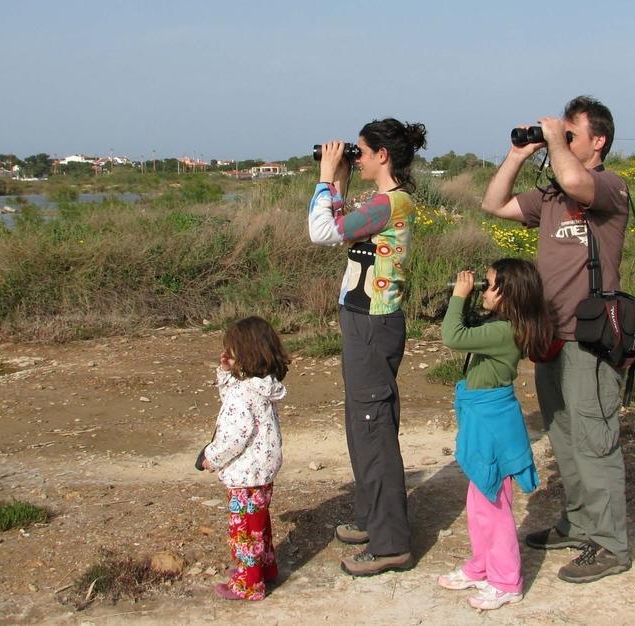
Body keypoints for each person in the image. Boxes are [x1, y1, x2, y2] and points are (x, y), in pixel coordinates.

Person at [480, 96, 632, 583]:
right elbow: (494, 203)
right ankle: (579, 521)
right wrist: (519, 154)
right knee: (565, 439)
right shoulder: (548, 198)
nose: (562, 141)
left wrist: (553, 139)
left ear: (599, 141)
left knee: (595, 441)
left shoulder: (609, 188)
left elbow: (574, 179)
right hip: (551, 337)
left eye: (573, 134)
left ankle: (609, 544)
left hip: (591, 338)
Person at [307, 118, 427, 576]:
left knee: (372, 428)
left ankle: (391, 542)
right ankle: (373, 520)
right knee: (363, 425)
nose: (354, 158)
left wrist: (324, 177)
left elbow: (322, 232)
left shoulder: (388, 204)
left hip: (373, 326)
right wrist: (337, 179)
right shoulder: (382, 203)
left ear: (382, 155)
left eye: (359, 152)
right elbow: (342, 226)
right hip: (366, 321)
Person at [438, 258, 555, 610]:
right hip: (482, 415)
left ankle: (506, 581)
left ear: (509, 295)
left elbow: (452, 336)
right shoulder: (503, 325)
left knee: (495, 505)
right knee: (479, 503)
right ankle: (482, 566)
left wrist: (459, 297)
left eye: (489, 285)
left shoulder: (503, 332)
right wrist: (475, 298)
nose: (483, 290)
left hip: (491, 421)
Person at [198, 316, 290, 600]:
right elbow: (231, 396)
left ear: (245, 354)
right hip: (261, 469)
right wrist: (226, 373)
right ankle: (266, 568)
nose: (228, 355)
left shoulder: (244, 393)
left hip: (245, 472)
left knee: (244, 530)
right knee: (259, 521)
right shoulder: (260, 385)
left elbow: (234, 436)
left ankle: (249, 584)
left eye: (232, 351)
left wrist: (210, 457)